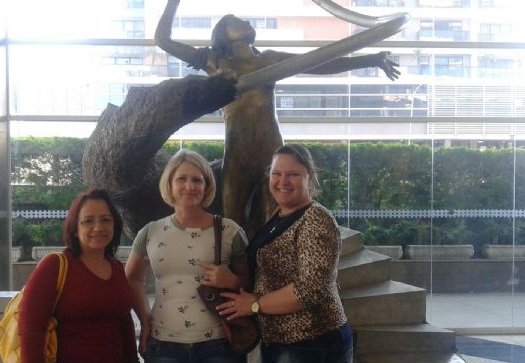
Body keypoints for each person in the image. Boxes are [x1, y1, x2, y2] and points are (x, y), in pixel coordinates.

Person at [155, 0, 401, 234]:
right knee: (231, 224)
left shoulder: (269, 59)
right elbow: (163, 40)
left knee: (274, 223)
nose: (245, 22)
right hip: (237, 153)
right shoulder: (214, 61)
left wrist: (372, 59)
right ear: (223, 34)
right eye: (236, 22)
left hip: (271, 152)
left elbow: (319, 63)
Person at [217, 144, 353, 363]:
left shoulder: (316, 220)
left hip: (312, 345)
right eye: (276, 173)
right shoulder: (281, 214)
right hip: (279, 343)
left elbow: (311, 288)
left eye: (292, 174)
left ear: (309, 177)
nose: (282, 181)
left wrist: (253, 304)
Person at [125, 149, 249, 363]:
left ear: (207, 186)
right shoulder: (151, 232)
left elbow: (251, 283)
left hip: (220, 348)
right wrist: (145, 320)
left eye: (198, 180)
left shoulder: (229, 231)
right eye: (182, 179)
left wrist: (231, 280)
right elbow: (132, 278)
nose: (190, 186)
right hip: (165, 351)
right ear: (169, 184)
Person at [19, 189, 143, 363]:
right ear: (75, 228)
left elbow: (123, 323)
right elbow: (30, 331)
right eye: (88, 221)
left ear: (115, 225)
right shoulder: (55, 266)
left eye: (105, 220)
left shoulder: (116, 267)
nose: (98, 227)